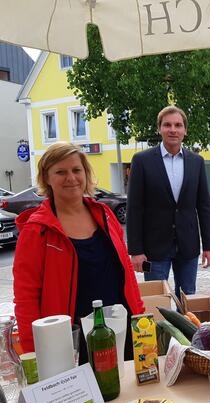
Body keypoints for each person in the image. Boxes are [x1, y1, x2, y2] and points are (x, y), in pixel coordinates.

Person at [14, 142, 144, 361]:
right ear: (46, 178)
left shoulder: (104, 214)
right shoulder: (37, 230)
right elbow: (26, 297)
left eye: (76, 170)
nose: (71, 178)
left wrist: (139, 316)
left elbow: (126, 273)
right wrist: (33, 353)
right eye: (60, 172)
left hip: (121, 330)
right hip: (72, 342)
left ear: (86, 173)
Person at [127, 105, 210, 298]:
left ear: (185, 130)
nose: (173, 129)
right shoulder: (142, 161)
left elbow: (203, 207)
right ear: (159, 129)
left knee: (188, 297)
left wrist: (209, 246)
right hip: (154, 248)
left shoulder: (196, 161)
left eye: (178, 125)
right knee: (159, 300)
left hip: (188, 245)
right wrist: (135, 251)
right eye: (167, 125)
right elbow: (134, 208)